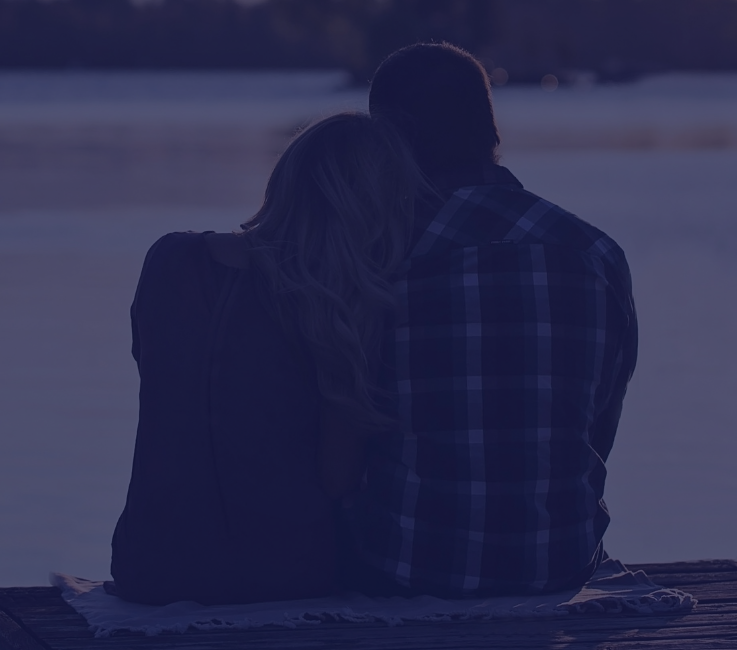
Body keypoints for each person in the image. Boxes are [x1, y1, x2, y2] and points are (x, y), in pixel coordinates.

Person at [341, 42, 640, 598]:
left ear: (390, 135)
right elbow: (598, 427)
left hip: (403, 571)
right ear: (491, 130)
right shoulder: (595, 252)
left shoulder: (377, 257)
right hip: (559, 567)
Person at [107, 113, 429, 605]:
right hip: (283, 575)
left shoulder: (170, 259)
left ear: (286, 178)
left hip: (149, 564)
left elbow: (163, 380)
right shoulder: (343, 305)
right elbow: (337, 478)